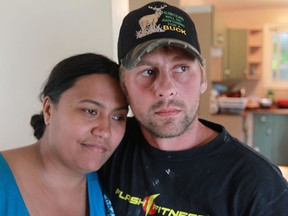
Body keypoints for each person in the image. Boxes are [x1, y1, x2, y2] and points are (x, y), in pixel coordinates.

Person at [99, 1, 288, 215]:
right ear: (124, 86)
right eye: (147, 71)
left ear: (203, 79)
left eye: (181, 68)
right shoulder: (106, 147)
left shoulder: (258, 185)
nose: (166, 88)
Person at [0, 53, 128, 216]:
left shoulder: (113, 186)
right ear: (48, 110)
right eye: (90, 111)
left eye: (118, 117)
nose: (105, 131)